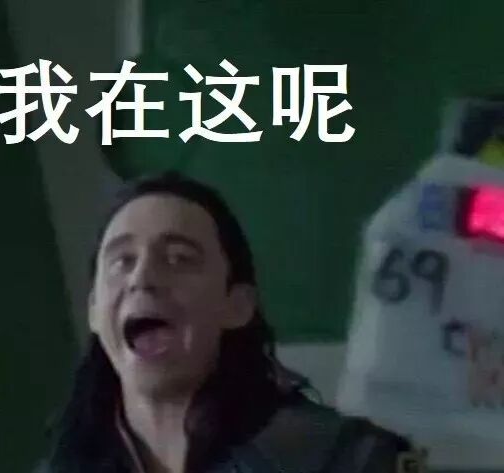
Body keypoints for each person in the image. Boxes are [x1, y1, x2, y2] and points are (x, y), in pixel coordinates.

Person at [37, 172, 414, 473]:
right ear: (94, 309)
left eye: (179, 258)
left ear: (237, 304)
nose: (142, 277)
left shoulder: (341, 458)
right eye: (122, 261)